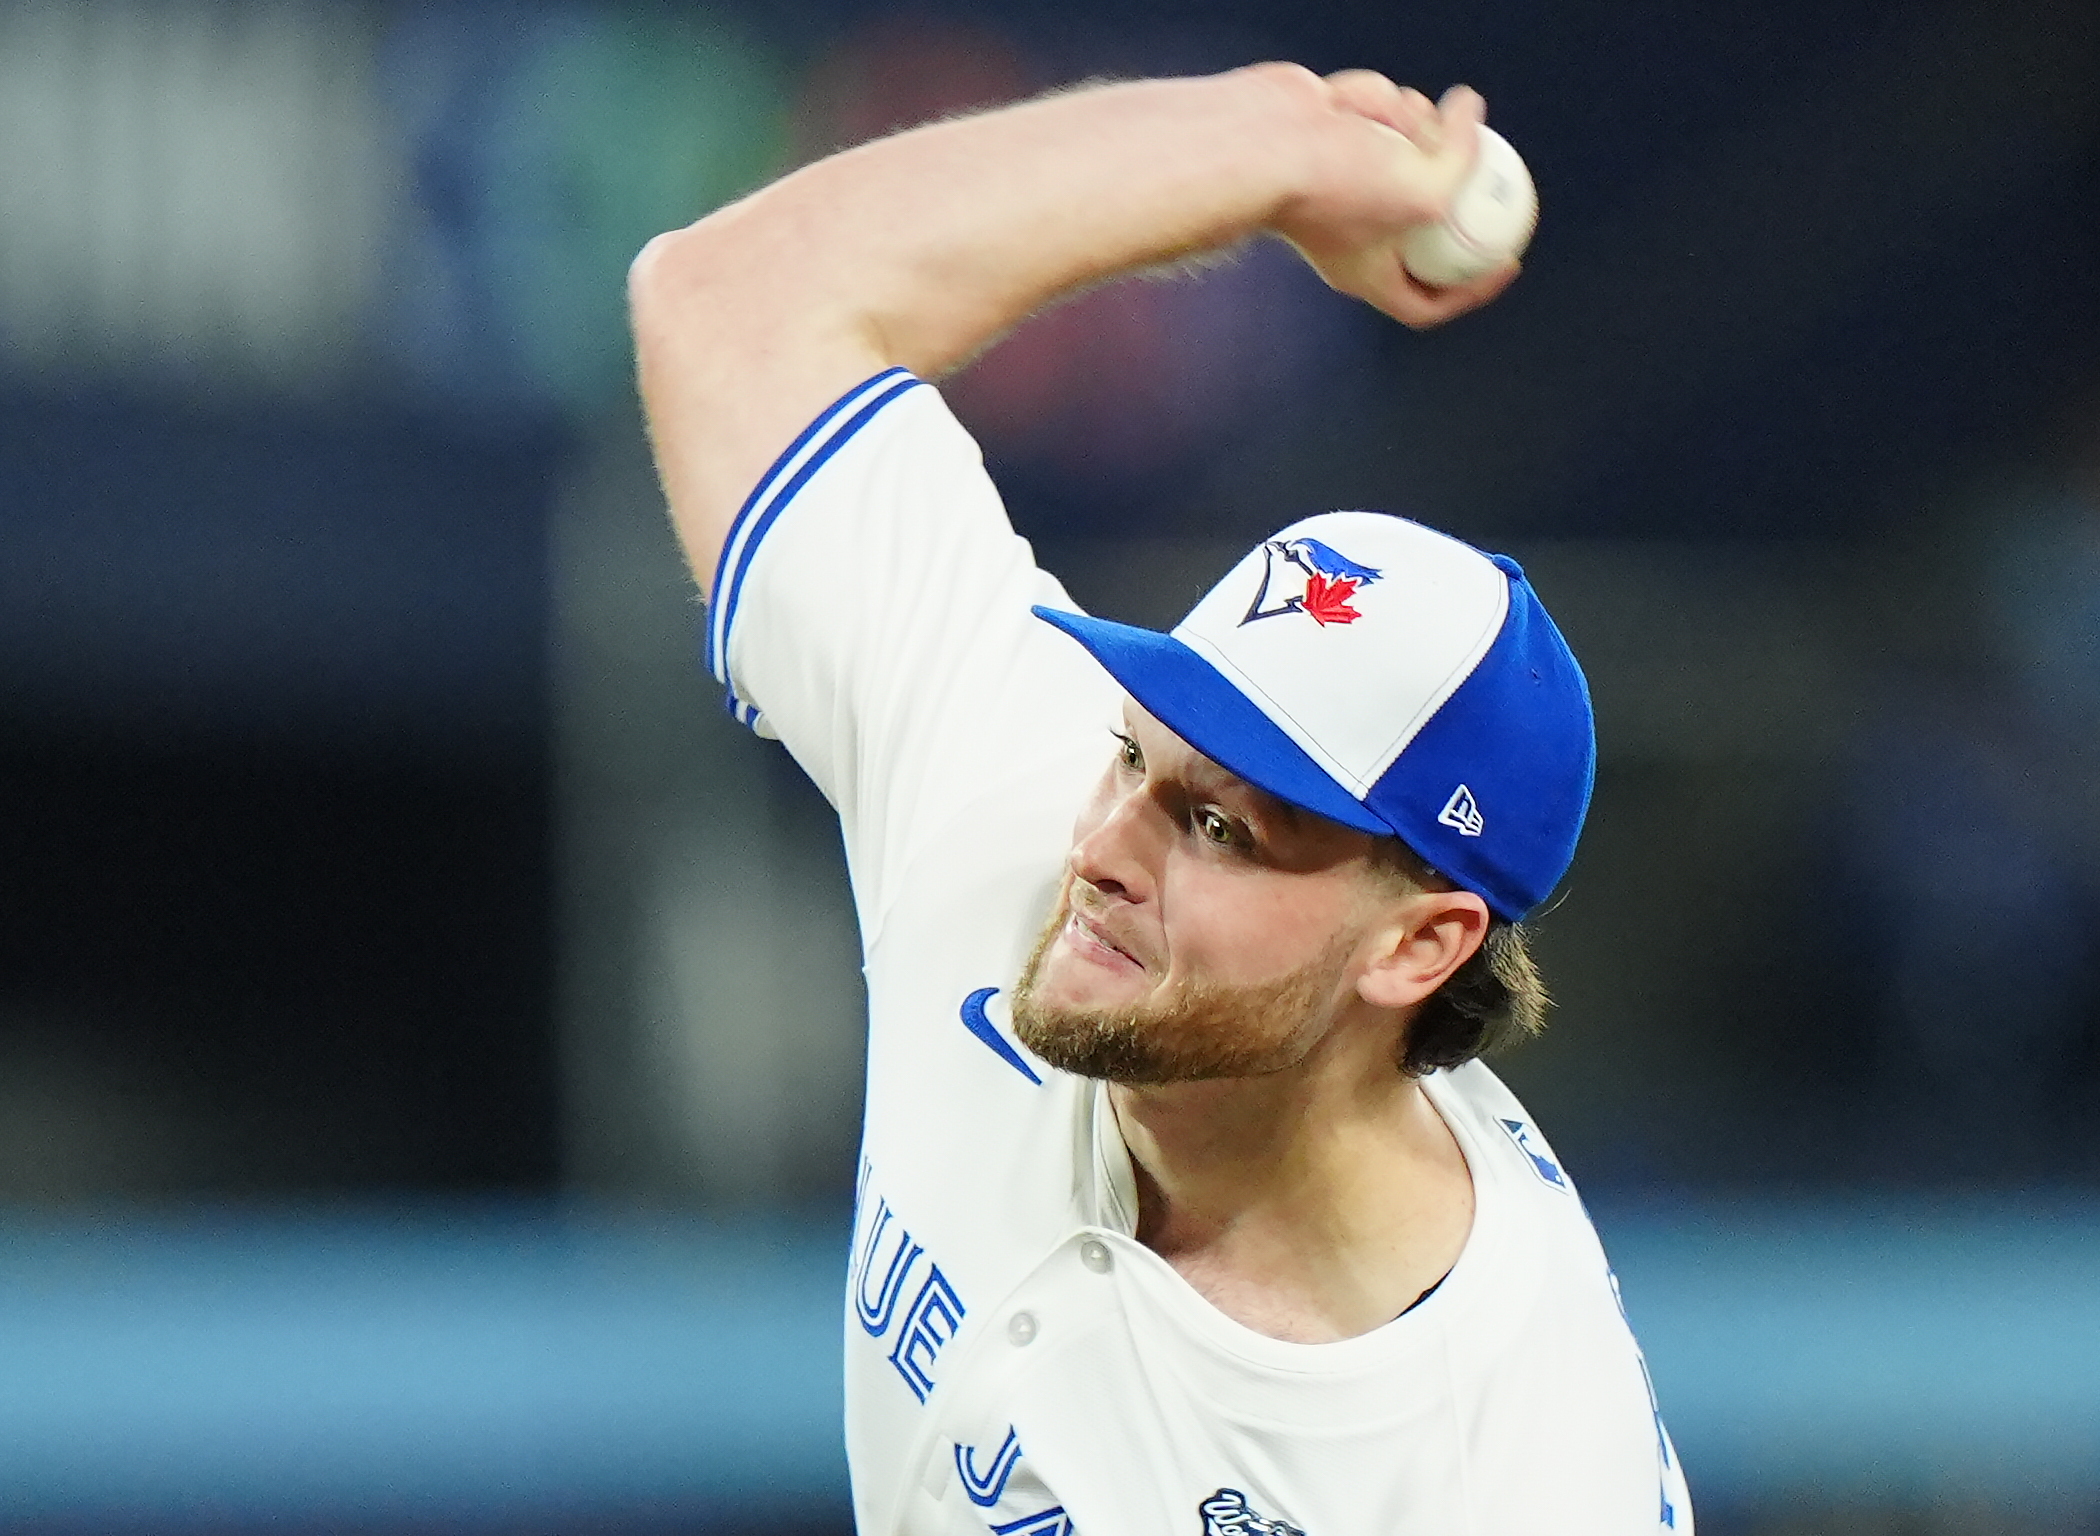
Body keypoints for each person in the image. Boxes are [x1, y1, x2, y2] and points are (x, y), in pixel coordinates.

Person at [630, 62, 1689, 1535]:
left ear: (1418, 946)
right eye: (1141, 750)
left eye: (1220, 828)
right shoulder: (1024, 814)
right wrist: (1263, 153)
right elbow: (733, 302)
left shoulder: (1506, 1474)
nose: (1107, 847)